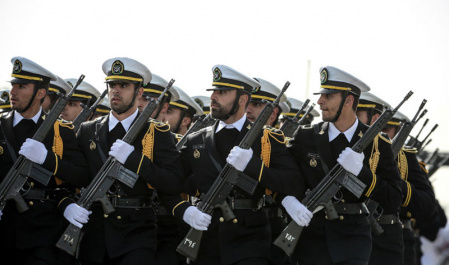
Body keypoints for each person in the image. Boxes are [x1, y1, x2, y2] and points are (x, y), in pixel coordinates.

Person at [168, 64, 308, 265]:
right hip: (206, 240)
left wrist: (253, 165)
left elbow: (293, 183)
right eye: (214, 91)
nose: (214, 96)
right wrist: (184, 210)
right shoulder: (196, 140)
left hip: (250, 241)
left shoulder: (266, 138)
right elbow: (170, 181)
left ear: (242, 99)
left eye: (222, 92)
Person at [65, 57, 183, 265]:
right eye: (112, 85)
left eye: (124, 85)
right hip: (95, 232)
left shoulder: (156, 132)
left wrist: (135, 160)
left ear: (139, 92)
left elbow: (172, 182)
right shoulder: (87, 131)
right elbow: (76, 175)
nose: (116, 90)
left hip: (137, 234)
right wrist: (67, 204)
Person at [287, 66, 402, 265]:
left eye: (328, 96)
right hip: (312, 240)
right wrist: (288, 199)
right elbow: (286, 177)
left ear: (348, 100)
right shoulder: (306, 137)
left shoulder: (376, 143)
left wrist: (361, 172)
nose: (320, 101)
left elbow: (394, 198)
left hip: (353, 241)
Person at [0, 56, 90, 264]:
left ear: (41, 93)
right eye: (13, 85)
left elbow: (81, 175)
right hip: (4, 229)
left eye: (21, 86)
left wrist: (47, 158)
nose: (13, 92)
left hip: (42, 232)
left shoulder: (60, 131)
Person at [356, 92, 436, 265]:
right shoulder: (337, 147)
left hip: (383, 241)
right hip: (344, 235)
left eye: (386, 129)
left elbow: (428, 205)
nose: (384, 134)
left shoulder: (404, 158)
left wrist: (392, 182)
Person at [244, 77, 293, 265]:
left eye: (255, 104)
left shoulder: (279, 145)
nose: (248, 109)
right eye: (247, 102)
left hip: (274, 225)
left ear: (272, 115)